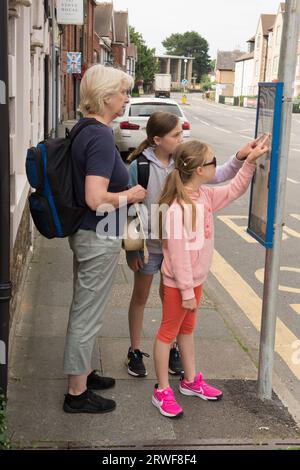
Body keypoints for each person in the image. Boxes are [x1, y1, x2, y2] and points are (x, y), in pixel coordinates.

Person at [125, 111, 263, 378]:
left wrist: (240, 157)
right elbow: (130, 211)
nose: (181, 137)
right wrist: (132, 248)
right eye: (176, 134)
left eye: (182, 133)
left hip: (176, 248)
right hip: (150, 247)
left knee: (173, 301)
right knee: (140, 297)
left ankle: (175, 347)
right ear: (157, 139)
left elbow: (217, 173)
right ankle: (135, 350)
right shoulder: (139, 167)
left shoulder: (183, 160)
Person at [152, 136, 269, 418]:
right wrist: (187, 291)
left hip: (195, 281)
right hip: (180, 286)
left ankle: (191, 381)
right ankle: (162, 390)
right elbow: (178, 256)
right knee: (167, 334)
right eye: (213, 161)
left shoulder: (203, 196)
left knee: (187, 331)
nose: (217, 165)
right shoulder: (178, 209)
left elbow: (233, 190)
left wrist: (248, 164)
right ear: (199, 170)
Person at [62, 64, 146, 414]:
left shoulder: (86, 129)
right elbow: (96, 198)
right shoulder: (97, 135)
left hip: (90, 233)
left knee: (85, 307)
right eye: (124, 92)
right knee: (87, 313)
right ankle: (76, 394)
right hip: (97, 235)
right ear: (106, 96)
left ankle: (84, 372)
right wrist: (132, 195)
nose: (127, 97)